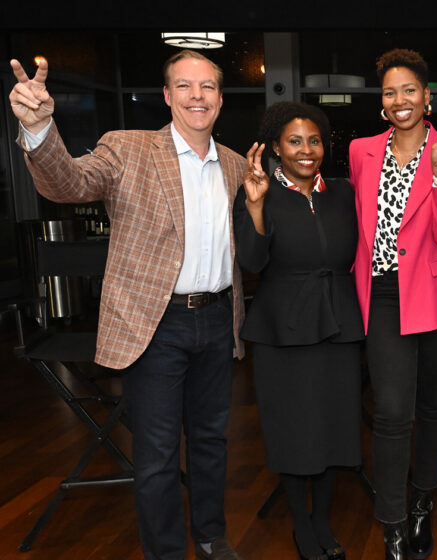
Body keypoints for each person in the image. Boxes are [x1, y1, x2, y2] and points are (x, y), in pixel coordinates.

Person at [8, 51, 247, 560]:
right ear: (166, 96)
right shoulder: (128, 149)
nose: (197, 96)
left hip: (217, 317)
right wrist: (38, 129)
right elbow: (68, 183)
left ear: (221, 99)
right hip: (154, 323)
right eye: (184, 86)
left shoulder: (235, 164)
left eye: (207, 87)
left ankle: (210, 535)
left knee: (210, 441)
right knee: (158, 454)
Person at [347, 48, 437, 560]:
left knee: (435, 405)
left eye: (409, 90)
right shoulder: (360, 151)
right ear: (382, 103)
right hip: (382, 293)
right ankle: (394, 520)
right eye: (389, 92)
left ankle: (424, 499)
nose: (399, 100)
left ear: (427, 97)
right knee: (392, 411)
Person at [233, 102, 363, 560]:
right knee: (292, 429)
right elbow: (251, 261)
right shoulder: (258, 191)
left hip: (340, 323)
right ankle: (301, 524)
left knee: (333, 426)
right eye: (294, 141)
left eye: (314, 141)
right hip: (282, 328)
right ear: (275, 147)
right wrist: (253, 205)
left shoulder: (345, 192)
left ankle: (323, 519)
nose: (306, 151)